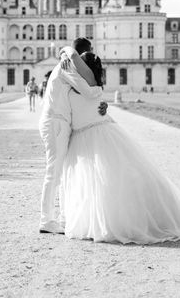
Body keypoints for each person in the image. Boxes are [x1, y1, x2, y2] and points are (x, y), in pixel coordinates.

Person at [62, 52, 180, 244]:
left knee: (100, 182)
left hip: (87, 135)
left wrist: (65, 53)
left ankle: (104, 223)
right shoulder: (91, 85)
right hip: (96, 132)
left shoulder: (78, 84)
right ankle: (104, 221)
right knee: (106, 180)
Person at [38, 37, 107, 235]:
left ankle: (63, 217)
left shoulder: (66, 66)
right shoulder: (67, 65)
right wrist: (100, 91)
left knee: (61, 171)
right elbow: (88, 91)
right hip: (56, 122)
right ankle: (46, 219)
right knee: (54, 171)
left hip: (60, 122)